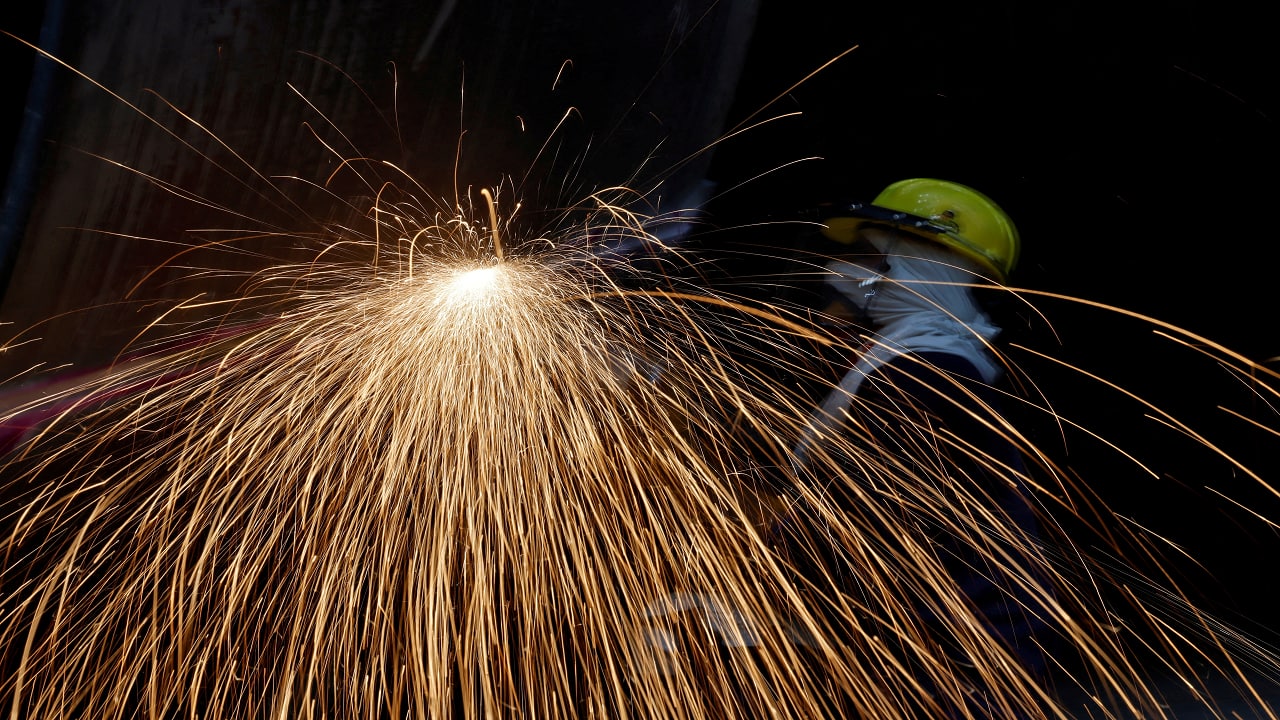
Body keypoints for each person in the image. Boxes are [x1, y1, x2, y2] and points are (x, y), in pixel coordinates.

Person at [789, 178, 1052, 702]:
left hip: (956, 664)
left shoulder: (927, 374)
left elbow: (865, 524)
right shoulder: (924, 361)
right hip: (948, 651)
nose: (842, 271)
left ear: (922, 266)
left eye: (867, 256)